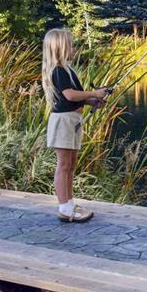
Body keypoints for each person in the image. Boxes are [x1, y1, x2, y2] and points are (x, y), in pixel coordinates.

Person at [41, 28, 109, 222]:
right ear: (60, 48)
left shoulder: (67, 70)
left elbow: (71, 98)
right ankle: (65, 209)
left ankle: (70, 203)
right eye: (71, 45)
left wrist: (91, 101)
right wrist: (94, 93)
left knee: (71, 164)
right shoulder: (58, 71)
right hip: (63, 122)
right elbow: (70, 95)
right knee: (63, 165)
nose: (74, 49)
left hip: (72, 120)